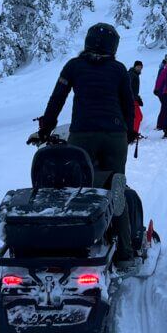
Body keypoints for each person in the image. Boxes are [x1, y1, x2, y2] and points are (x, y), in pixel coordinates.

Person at [36, 22, 138, 266]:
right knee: (117, 188)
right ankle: (124, 254)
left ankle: (75, 241)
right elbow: (128, 104)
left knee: (77, 188)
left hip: (82, 134)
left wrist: (45, 129)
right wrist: (129, 132)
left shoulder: (74, 66)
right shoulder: (119, 69)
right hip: (115, 136)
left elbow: (56, 99)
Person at [129, 60, 144, 134]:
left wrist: (138, 98)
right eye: (138, 67)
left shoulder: (134, 74)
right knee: (138, 117)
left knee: (136, 117)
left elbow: (133, 89)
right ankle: (133, 135)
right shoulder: (132, 74)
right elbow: (128, 87)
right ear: (134, 66)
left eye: (141, 67)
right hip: (131, 100)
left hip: (133, 99)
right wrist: (135, 98)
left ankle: (132, 134)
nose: (139, 68)